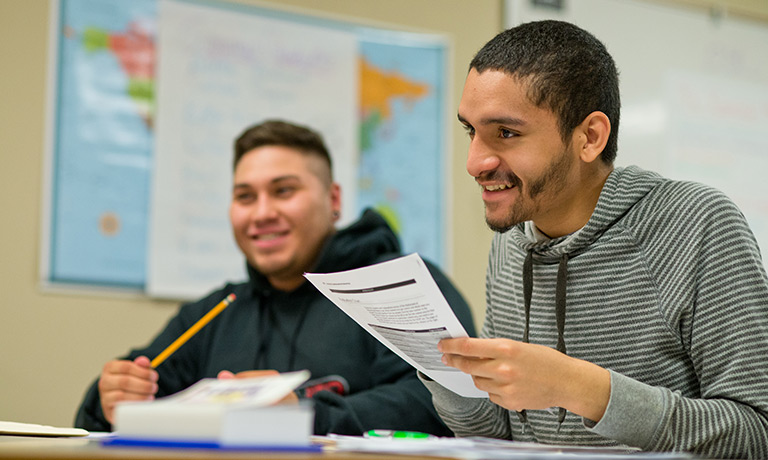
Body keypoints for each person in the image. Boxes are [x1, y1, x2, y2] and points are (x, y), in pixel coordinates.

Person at [420, 20, 768, 458]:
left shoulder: (695, 223)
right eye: (471, 131)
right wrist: (436, 366)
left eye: (506, 133)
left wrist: (580, 387)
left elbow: (757, 432)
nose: (475, 162)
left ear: (590, 137)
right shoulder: (511, 242)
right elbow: (502, 433)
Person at [75, 119, 475, 436]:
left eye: (283, 191)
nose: (261, 212)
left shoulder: (398, 287)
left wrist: (301, 414)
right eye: (245, 196)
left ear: (333, 200)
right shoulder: (218, 310)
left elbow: (443, 405)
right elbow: (129, 397)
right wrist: (110, 398)